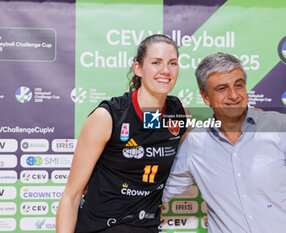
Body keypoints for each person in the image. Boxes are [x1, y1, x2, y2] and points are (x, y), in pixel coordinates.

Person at [162, 52, 286, 233]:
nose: (234, 95)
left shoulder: (280, 126)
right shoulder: (194, 144)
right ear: (206, 98)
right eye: (222, 89)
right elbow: (157, 193)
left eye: (239, 85)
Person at [56, 34, 188, 233]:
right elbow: (72, 195)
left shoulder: (180, 113)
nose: (165, 71)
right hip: (100, 227)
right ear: (138, 68)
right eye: (156, 62)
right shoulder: (107, 117)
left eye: (172, 63)